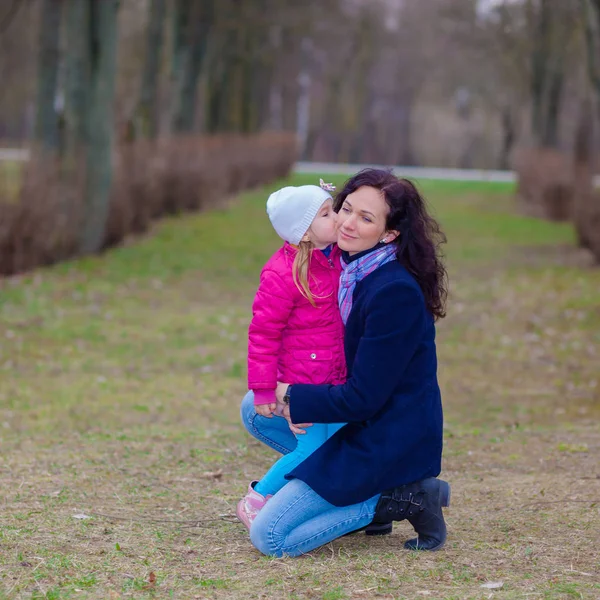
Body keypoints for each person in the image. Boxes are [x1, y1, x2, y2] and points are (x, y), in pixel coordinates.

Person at [240, 168, 450, 557]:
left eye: (366, 218)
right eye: (346, 208)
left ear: (389, 234)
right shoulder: (346, 267)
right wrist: (277, 390)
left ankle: (396, 497)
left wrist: (293, 396)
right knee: (255, 407)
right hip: (351, 419)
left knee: (271, 538)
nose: (347, 223)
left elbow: (363, 399)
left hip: (382, 436)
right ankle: (326, 480)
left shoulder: (393, 292)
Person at [236, 180, 348, 530]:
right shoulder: (282, 273)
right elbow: (264, 334)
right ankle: (259, 498)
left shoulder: (337, 260)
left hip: (336, 379)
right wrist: (267, 390)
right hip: (303, 385)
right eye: (327, 214)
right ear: (304, 232)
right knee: (312, 448)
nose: (338, 219)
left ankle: (329, 498)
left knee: (340, 444)